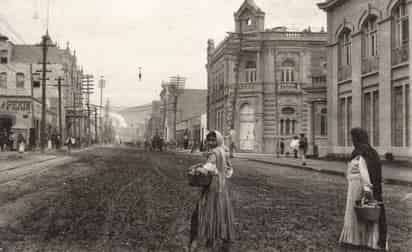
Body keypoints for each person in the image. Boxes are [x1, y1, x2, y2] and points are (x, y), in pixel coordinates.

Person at [339, 127, 387, 251]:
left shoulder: (362, 153)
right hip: (357, 185)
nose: (352, 140)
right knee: (359, 212)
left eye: (353, 138)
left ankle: (358, 239)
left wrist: (367, 189)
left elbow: (364, 172)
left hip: (359, 187)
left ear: (357, 138)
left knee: (357, 211)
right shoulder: (369, 151)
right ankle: (361, 239)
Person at [189, 130, 235, 252]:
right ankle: (222, 235)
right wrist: (221, 173)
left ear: (218, 140)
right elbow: (230, 170)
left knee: (209, 208)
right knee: (221, 209)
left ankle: (210, 236)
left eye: (213, 140)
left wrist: (197, 169)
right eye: (209, 140)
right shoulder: (224, 151)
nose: (210, 142)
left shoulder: (214, 153)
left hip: (213, 186)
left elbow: (207, 169)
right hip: (222, 185)